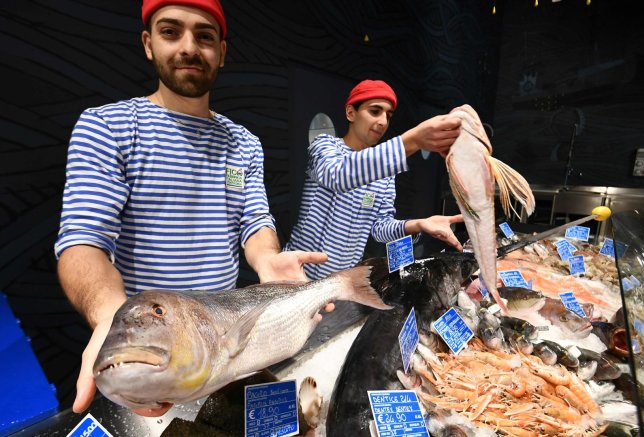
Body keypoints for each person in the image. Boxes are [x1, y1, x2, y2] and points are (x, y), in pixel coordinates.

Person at [54, 0, 328, 417]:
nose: (189, 47)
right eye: (170, 32)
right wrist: (112, 320)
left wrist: (268, 259)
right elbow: (83, 243)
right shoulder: (106, 127)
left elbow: (254, 220)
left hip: (226, 342)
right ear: (148, 44)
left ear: (222, 51)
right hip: (150, 356)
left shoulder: (243, 143)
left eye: (204, 35)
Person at [285, 80, 465, 280]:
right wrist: (412, 141)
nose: (383, 122)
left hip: (340, 282)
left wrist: (419, 225)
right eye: (375, 111)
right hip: (297, 273)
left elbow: (379, 229)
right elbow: (337, 176)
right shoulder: (325, 147)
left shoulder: (385, 172)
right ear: (350, 113)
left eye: (388, 115)